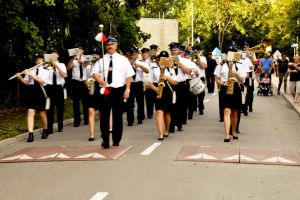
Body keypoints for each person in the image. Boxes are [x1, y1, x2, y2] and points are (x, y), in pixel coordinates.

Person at [92, 36, 135, 148]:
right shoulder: (101, 60)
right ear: (105, 46)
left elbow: (129, 75)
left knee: (117, 116)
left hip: (119, 89)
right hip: (106, 90)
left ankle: (116, 139)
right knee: (104, 116)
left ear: (116, 46)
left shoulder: (123, 59)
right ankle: (105, 140)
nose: (110, 46)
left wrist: (128, 89)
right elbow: (95, 73)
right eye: (108, 45)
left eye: (112, 44)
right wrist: (100, 80)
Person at [214, 51, 247, 142]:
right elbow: (216, 78)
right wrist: (223, 83)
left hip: (236, 87)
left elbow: (242, 80)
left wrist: (236, 73)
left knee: (235, 113)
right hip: (225, 88)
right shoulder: (221, 64)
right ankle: (227, 134)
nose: (232, 55)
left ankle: (234, 131)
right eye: (230, 53)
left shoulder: (240, 65)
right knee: (226, 110)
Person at [17, 53, 49, 142]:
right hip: (32, 92)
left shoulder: (46, 69)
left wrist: (30, 74)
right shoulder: (32, 69)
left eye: (39, 59)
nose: (37, 61)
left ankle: (45, 130)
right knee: (30, 112)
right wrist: (20, 78)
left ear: (42, 60)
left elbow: (41, 81)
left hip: (41, 91)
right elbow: (27, 82)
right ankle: (30, 134)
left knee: (42, 114)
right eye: (36, 59)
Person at [149, 51, 177, 140]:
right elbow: (150, 83)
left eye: (165, 58)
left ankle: (167, 129)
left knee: (167, 113)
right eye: (161, 58)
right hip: (158, 90)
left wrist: (167, 77)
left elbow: (175, 82)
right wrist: (156, 89)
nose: (163, 60)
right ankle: (160, 134)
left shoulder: (170, 69)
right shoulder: (153, 68)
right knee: (159, 111)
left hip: (168, 90)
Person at [168, 42, 192, 133]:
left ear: (178, 50)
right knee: (171, 105)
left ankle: (179, 123)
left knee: (180, 105)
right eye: (172, 50)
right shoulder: (167, 59)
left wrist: (179, 64)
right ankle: (171, 125)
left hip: (181, 84)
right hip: (170, 84)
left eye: (175, 49)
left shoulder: (185, 60)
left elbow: (188, 71)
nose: (173, 51)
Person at [45, 48, 67, 135]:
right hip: (50, 88)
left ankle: (60, 126)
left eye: (55, 54)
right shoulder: (47, 66)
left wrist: (56, 66)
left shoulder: (61, 65)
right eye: (51, 54)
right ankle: (49, 128)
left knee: (60, 108)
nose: (53, 55)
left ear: (57, 55)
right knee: (50, 109)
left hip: (59, 87)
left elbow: (64, 75)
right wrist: (48, 65)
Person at [67, 45, 89, 127]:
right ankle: (77, 121)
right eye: (77, 50)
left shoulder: (86, 58)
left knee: (85, 102)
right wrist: (73, 58)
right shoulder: (74, 59)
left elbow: (90, 67)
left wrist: (82, 62)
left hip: (84, 81)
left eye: (80, 50)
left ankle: (87, 119)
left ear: (83, 51)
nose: (78, 51)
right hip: (75, 81)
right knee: (76, 102)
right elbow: (68, 68)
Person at [127, 47, 149, 125]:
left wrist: (139, 66)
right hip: (130, 83)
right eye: (131, 54)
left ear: (137, 55)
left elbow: (147, 71)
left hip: (139, 83)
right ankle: (130, 120)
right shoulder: (127, 63)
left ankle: (140, 118)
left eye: (134, 54)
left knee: (140, 102)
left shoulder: (141, 62)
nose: (133, 56)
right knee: (130, 103)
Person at [86, 48, 102, 141]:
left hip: (100, 88)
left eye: (97, 54)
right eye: (93, 54)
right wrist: (88, 83)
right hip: (91, 88)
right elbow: (85, 78)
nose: (95, 56)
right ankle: (91, 135)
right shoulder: (88, 66)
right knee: (91, 111)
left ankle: (102, 131)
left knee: (101, 113)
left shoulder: (102, 65)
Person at [143, 47, 156, 119]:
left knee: (155, 98)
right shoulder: (145, 61)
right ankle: (149, 113)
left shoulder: (156, 60)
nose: (152, 53)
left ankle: (157, 110)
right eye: (151, 52)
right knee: (148, 98)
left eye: (154, 51)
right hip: (147, 81)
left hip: (155, 82)